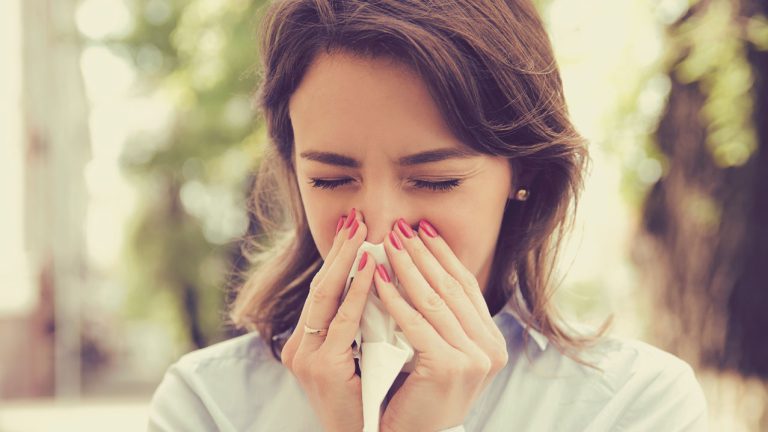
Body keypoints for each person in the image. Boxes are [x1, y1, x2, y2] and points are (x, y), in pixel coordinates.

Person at [147, 0, 708, 430]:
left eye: (435, 181)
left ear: (525, 178)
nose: (382, 227)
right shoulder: (208, 405)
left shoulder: (632, 403)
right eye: (331, 179)